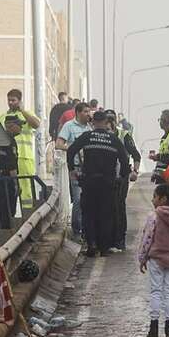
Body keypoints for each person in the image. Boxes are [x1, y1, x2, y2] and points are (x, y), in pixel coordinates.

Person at [66, 109, 131, 256]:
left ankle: (92, 245)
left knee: (89, 214)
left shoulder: (87, 136)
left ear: (93, 122)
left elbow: (71, 151)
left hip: (89, 182)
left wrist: (72, 170)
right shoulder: (114, 139)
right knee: (106, 215)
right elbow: (124, 160)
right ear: (106, 122)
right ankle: (104, 248)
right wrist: (121, 178)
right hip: (108, 184)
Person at [137, 183, 169, 337]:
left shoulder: (154, 216)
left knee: (156, 291)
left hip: (156, 258)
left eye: (155, 197)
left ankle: (153, 328)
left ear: (163, 199)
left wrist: (142, 258)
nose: (152, 200)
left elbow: (147, 238)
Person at [56, 102, 93, 240]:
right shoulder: (69, 126)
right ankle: (77, 230)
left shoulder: (90, 127)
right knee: (78, 199)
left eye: (89, 111)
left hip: (90, 167)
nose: (88, 114)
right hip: (76, 167)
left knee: (88, 199)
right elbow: (59, 144)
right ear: (78, 113)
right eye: (85, 111)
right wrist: (74, 148)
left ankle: (87, 229)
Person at [0, 116, 22, 240]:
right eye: (19, 125)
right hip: (7, 181)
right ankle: (5, 239)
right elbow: (12, 166)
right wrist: (16, 185)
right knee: (8, 211)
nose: (21, 128)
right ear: (11, 126)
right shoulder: (10, 141)